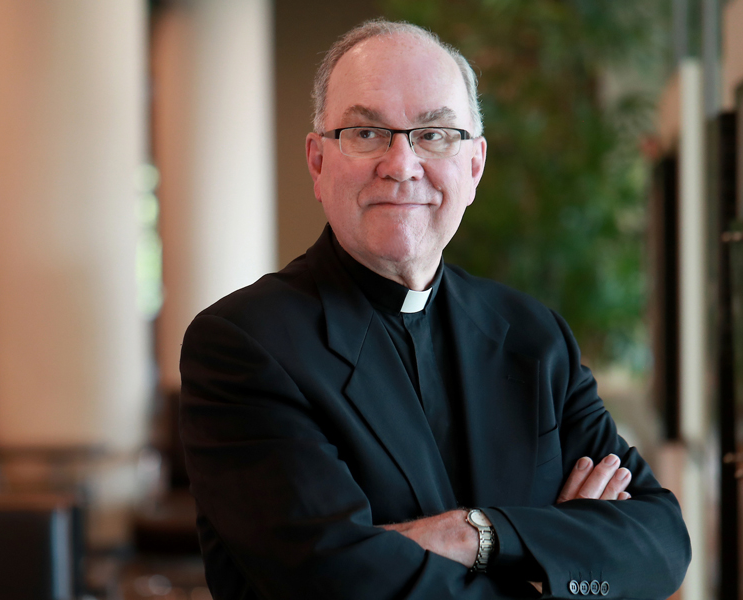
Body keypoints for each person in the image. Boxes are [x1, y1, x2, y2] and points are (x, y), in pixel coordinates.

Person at [179, 19, 690, 599]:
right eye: (366, 132)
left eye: (435, 134)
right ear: (318, 162)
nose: (401, 164)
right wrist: (550, 556)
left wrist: (475, 534)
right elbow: (335, 584)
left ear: (474, 167)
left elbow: (659, 542)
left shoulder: (532, 334)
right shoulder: (245, 344)